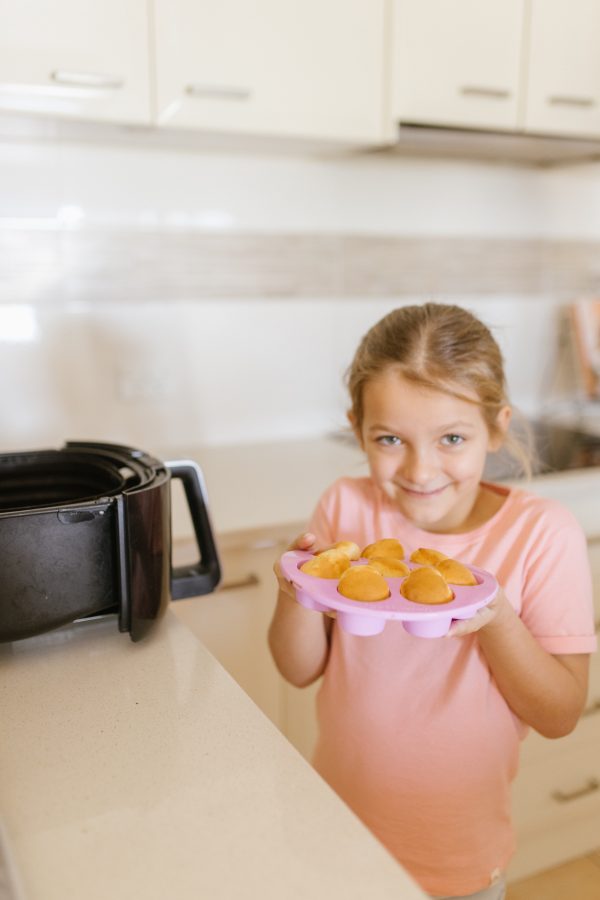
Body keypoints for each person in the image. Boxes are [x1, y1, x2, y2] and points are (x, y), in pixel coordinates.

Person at [268, 302, 597, 900]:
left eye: (452, 438)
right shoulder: (347, 508)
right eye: (390, 439)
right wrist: (296, 591)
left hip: (456, 856)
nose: (420, 471)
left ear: (497, 427)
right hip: (336, 824)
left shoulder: (541, 534)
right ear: (357, 426)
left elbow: (558, 714)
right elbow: (298, 670)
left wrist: (494, 616)